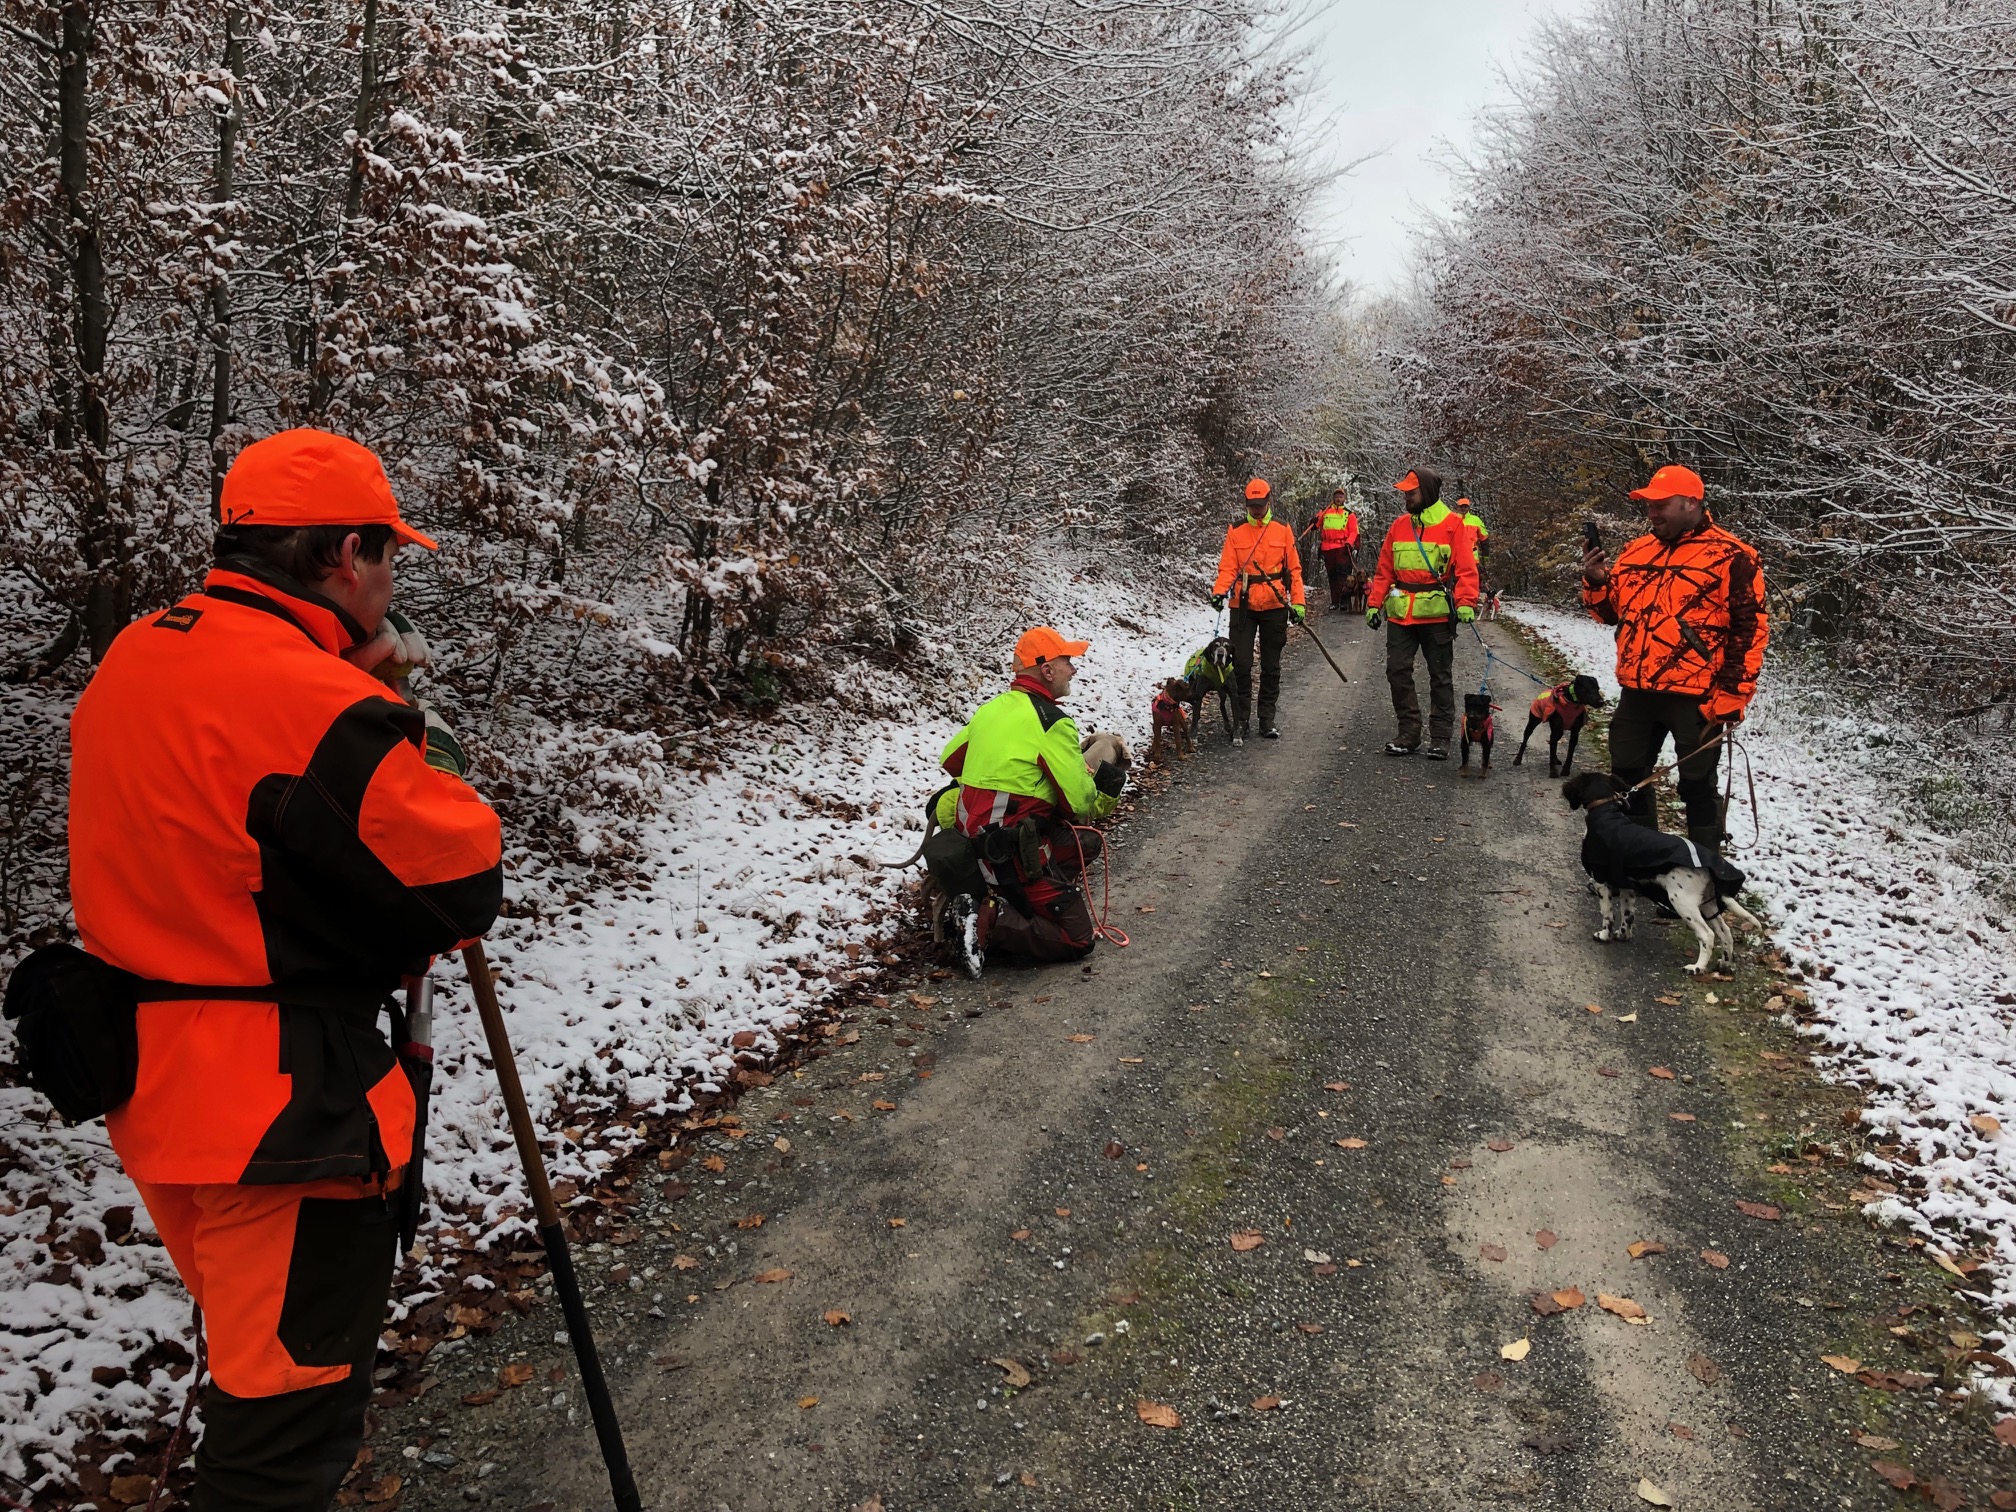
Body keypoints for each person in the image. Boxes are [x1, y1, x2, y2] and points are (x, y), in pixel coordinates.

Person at [67, 428, 503, 1510]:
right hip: (282, 1118)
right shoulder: (317, 706)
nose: (392, 580)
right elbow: (460, 878)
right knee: (279, 1439)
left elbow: (235, 835)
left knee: (254, 1382)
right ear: (343, 556)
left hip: (153, 1086)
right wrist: (411, 724)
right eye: (389, 557)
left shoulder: (139, 653)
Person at [1581, 463, 1767, 852]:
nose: (1651, 513)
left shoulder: (1732, 556)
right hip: (1638, 690)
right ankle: (1643, 862)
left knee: (1698, 787)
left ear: (1691, 503)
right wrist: (1597, 581)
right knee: (1627, 779)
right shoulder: (1636, 551)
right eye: (1648, 505)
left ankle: (1706, 874)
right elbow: (1610, 614)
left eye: (1660, 505)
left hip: (1698, 696)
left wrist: (1734, 694)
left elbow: (1750, 630)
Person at [936, 626, 1125, 971]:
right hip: (1008, 856)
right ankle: (986, 918)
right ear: (1047, 671)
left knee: (1084, 845)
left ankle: (1013, 905)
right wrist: (1111, 782)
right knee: (1078, 937)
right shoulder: (1051, 721)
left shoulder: (989, 711)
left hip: (974, 845)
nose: (1074, 669)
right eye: (1067, 661)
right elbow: (1081, 802)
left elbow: (950, 759)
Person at [1364, 467, 1479, 759]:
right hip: (1401, 613)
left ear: (1426, 492)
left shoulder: (1454, 525)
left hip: (1437, 614)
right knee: (1396, 671)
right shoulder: (1399, 526)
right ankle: (1409, 732)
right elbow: (1384, 570)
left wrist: (1465, 603)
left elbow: (1467, 570)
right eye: (1405, 492)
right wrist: (1374, 603)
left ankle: (1440, 737)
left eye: (1411, 492)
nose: (1406, 497)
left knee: (1440, 675)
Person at [1210, 477, 1307, 743]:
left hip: (1275, 604)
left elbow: (1294, 571)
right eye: (1251, 505)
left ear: (1268, 501)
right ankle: (1241, 719)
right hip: (1243, 603)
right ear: (1246, 503)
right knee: (1240, 664)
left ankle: (1267, 719)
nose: (1256, 509)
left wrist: (1298, 603)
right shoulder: (1236, 530)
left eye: (1260, 504)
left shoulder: (1282, 529)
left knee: (1271, 665)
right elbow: (1228, 567)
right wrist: (1219, 592)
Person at [1298, 487, 1360, 612]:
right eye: (1336, 497)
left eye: (1341, 497)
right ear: (1333, 498)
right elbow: (1314, 526)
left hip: (1343, 547)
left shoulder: (1349, 514)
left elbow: (1354, 532)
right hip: (1327, 548)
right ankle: (1335, 601)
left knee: (1343, 576)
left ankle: (1344, 601)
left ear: (1344, 499)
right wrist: (1314, 520)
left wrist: (1349, 542)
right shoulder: (1325, 512)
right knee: (1332, 576)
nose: (1338, 499)